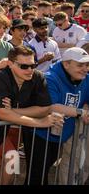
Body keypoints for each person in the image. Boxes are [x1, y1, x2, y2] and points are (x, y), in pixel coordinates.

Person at [0, 46, 60, 185]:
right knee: (11, 158)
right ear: (10, 64)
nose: (29, 70)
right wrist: (40, 122)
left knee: (0, 159)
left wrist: (14, 110)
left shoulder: (38, 77)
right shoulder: (1, 78)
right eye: (24, 66)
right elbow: (2, 114)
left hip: (20, 129)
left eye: (32, 65)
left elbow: (45, 108)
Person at [37, 47, 89, 184]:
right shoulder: (50, 78)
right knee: (39, 173)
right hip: (42, 133)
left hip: (67, 131)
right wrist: (81, 112)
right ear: (66, 64)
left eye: (87, 65)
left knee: (72, 164)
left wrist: (86, 107)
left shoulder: (86, 78)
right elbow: (50, 106)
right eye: (80, 65)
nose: (85, 69)